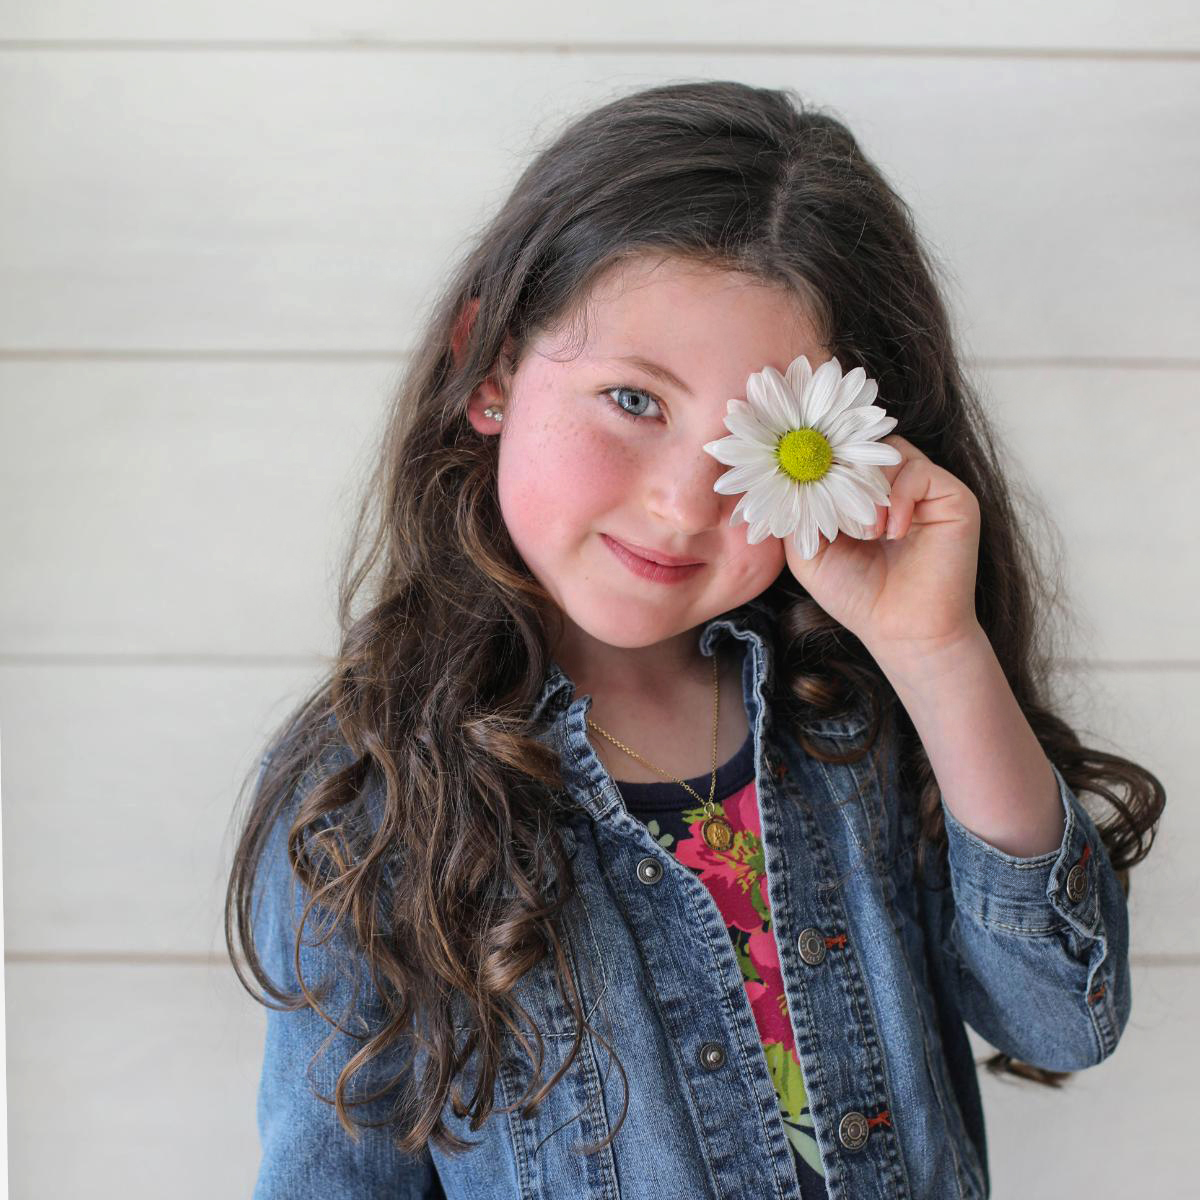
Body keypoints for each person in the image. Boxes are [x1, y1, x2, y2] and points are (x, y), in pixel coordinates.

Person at [226, 80, 1164, 1199]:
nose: (682, 506)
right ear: (491, 368)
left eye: (756, 447)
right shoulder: (363, 797)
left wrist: (937, 653)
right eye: (633, 401)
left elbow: (1065, 1017)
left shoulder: (854, 713)